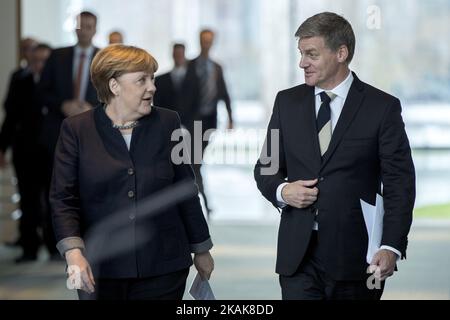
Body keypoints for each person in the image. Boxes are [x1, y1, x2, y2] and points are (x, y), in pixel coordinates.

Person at [254, 12, 415, 300]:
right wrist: (283, 190)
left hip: (359, 258)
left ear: (341, 53)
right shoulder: (287, 102)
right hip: (298, 256)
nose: (302, 62)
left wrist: (391, 246)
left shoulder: (382, 107)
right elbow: (266, 166)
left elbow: (399, 183)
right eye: (301, 53)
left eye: (311, 54)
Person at [50, 44, 214, 300]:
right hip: (100, 267)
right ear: (114, 86)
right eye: (142, 80)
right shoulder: (76, 130)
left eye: (152, 78)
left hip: (164, 265)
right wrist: (74, 253)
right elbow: (63, 199)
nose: (152, 87)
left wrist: (201, 248)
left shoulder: (169, 122)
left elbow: (185, 189)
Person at [37, 11, 100, 256]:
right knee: (59, 189)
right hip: (57, 132)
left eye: (89, 26)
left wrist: (92, 108)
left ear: (95, 29)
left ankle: (89, 243)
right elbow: (42, 92)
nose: (84, 29)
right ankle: (57, 246)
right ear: (75, 28)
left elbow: (113, 93)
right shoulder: (57, 55)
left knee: (89, 189)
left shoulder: (103, 57)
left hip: (92, 134)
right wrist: (62, 104)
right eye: (80, 25)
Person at [0, 44, 52, 262]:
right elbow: (10, 116)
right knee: (28, 199)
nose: (39, 64)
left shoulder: (56, 82)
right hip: (25, 150)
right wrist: (2, 147)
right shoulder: (19, 78)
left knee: (53, 201)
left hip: (52, 151)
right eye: (35, 59)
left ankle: (54, 247)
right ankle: (29, 247)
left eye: (43, 60)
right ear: (29, 59)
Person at [185, 29, 233, 218]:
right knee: (193, 163)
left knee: (194, 162)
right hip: (191, 121)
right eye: (204, 40)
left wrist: (230, 117)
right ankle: (202, 202)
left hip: (209, 121)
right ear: (199, 41)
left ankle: (198, 202)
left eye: (210, 40)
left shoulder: (216, 68)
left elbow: (224, 93)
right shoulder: (190, 65)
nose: (207, 44)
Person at [154, 43, 194, 127]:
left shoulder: (194, 79)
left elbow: (197, 103)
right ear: (172, 55)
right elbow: (157, 105)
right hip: (167, 124)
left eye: (180, 54)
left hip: (190, 124)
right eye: (176, 54)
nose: (178, 56)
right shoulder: (160, 80)